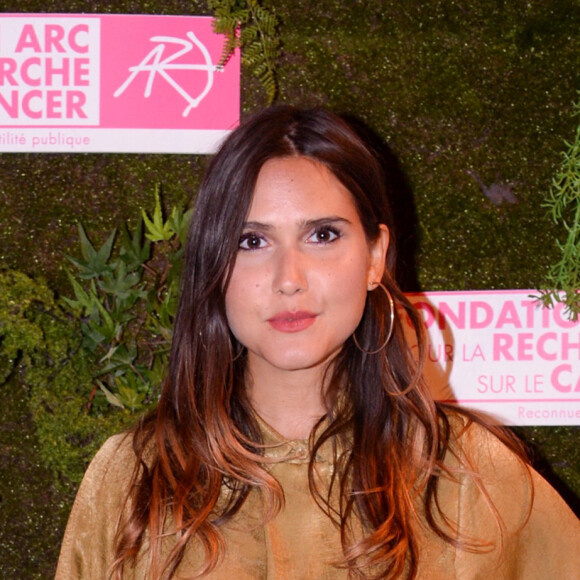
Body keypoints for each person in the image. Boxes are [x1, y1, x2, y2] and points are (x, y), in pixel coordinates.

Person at [55, 106, 580, 580]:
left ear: (375, 256)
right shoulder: (131, 478)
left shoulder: (469, 474)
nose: (289, 278)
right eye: (252, 241)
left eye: (322, 235)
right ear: (215, 265)